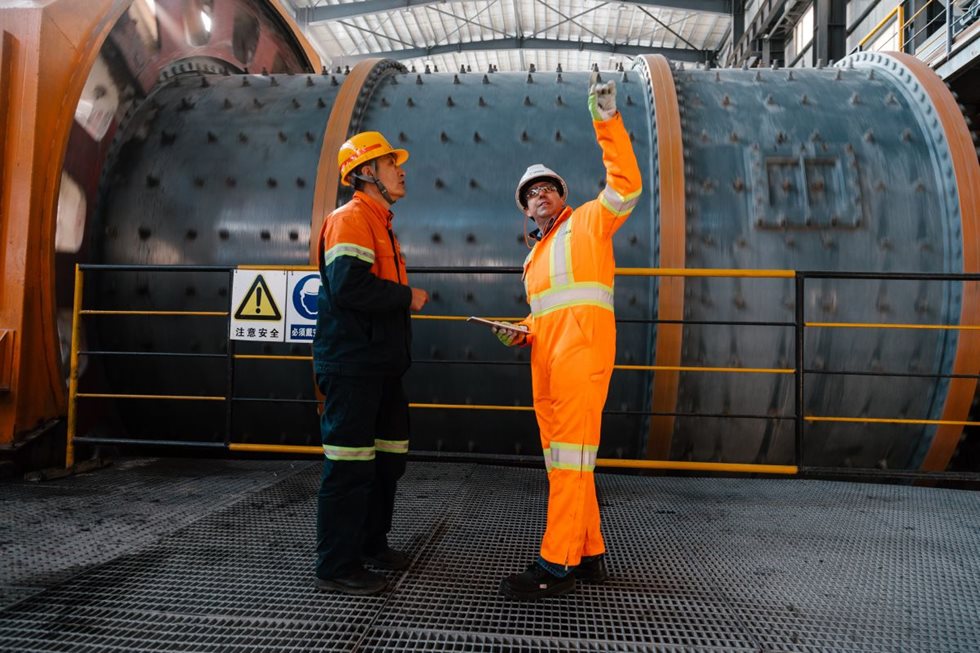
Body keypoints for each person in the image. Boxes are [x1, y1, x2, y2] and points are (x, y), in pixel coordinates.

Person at [493, 76, 642, 600]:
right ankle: (592, 552)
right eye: (532, 194)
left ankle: (555, 564)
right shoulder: (532, 258)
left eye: (548, 188)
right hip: (547, 363)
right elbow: (546, 313)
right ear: (525, 210)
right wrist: (522, 331)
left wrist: (607, 121)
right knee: (567, 463)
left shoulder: (590, 223)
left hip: (581, 357)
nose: (541, 195)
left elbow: (626, 186)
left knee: (570, 462)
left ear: (562, 196)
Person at [313, 131, 429, 595]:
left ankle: (371, 544)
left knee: (386, 459)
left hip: (380, 368)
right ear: (366, 173)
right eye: (389, 163)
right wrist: (407, 296)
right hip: (353, 366)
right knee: (349, 464)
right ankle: (337, 564)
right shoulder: (351, 219)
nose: (400, 169)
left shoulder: (381, 222)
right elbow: (349, 287)